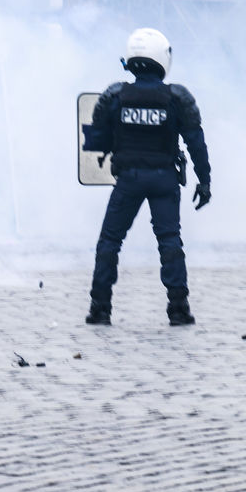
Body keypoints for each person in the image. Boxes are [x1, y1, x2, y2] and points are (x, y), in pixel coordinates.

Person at [84, 27, 211, 327]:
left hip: (128, 178)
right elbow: (196, 143)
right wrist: (204, 181)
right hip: (164, 179)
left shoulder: (115, 95)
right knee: (170, 241)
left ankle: (100, 308)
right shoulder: (177, 97)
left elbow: (96, 139)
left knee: (110, 241)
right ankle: (178, 309)